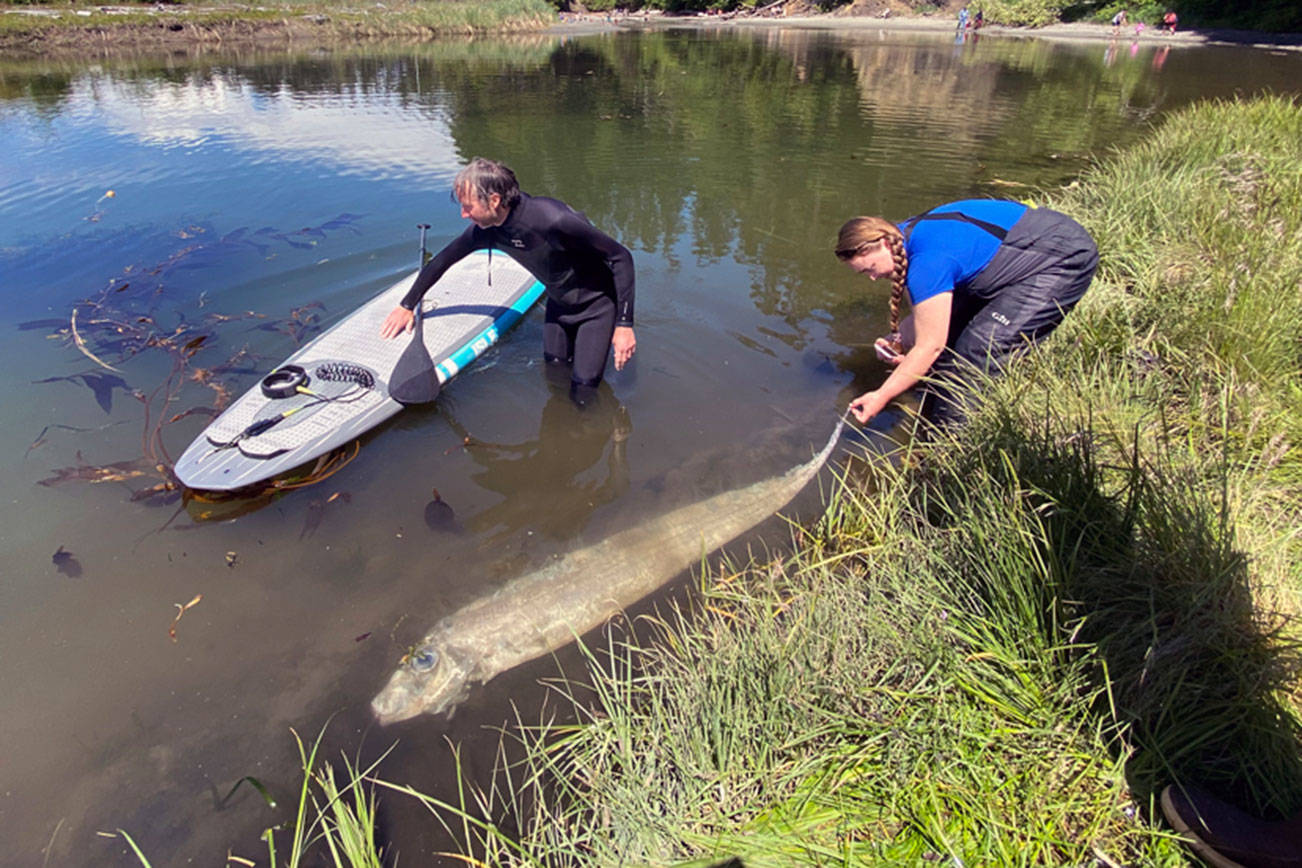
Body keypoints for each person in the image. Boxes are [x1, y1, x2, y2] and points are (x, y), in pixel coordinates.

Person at [380, 157, 636, 404]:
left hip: (596, 309)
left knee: (583, 394)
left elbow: (620, 257)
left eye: (468, 206)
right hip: (559, 305)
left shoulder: (552, 219)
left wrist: (624, 325)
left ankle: (591, 435)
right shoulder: (487, 230)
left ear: (494, 200)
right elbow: (442, 260)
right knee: (555, 376)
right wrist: (406, 305)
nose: (463, 215)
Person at [835, 199, 1098, 429]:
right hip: (1020, 251)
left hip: (1061, 260)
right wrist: (900, 338)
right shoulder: (903, 238)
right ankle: (933, 413)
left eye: (869, 268)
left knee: (978, 350)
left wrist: (881, 396)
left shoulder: (927, 264)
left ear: (882, 243)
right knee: (953, 339)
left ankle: (952, 446)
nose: (871, 277)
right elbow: (927, 317)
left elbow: (930, 346)